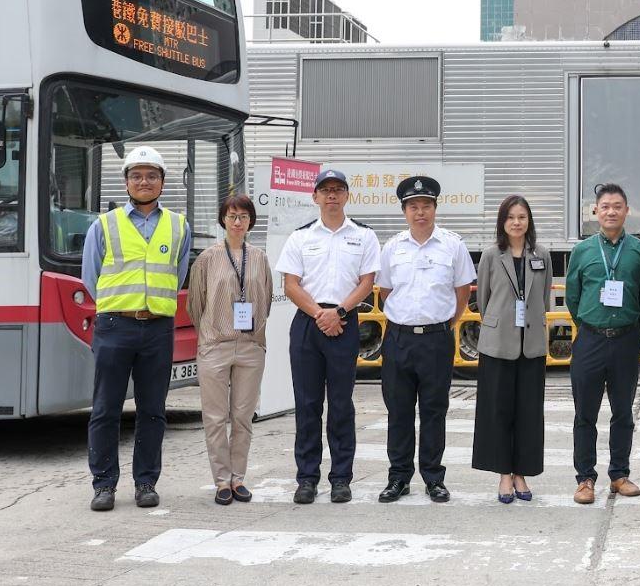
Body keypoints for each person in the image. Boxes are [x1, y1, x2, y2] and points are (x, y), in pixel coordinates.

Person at [83, 146, 191, 512]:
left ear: (162, 182)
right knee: (106, 409)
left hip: (158, 328)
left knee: (153, 410)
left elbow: (176, 274)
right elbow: (91, 277)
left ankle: (146, 482)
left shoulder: (178, 226)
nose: (144, 182)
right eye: (137, 175)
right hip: (114, 325)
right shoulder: (104, 225)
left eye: (151, 175)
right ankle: (104, 485)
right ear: (126, 181)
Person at [275, 168, 378, 504]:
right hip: (308, 323)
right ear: (315, 197)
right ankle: (307, 478)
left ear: (347, 196)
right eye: (326, 190)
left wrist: (339, 313)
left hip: (345, 322)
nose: (332, 195)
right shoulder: (300, 237)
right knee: (307, 405)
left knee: (341, 405)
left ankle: (341, 478)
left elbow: (366, 282)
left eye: (338, 189)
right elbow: (290, 284)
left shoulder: (363, 236)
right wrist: (320, 314)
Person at [376, 175, 475, 504]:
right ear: (404, 211)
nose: (421, 212)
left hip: (436, 340)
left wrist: (448, 321)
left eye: (426, 206)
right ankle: (398, 477)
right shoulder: (392, 248)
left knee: (434, 410)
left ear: (435, 208)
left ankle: (433, 477)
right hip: (399, 338)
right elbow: (385, 291)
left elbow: (462, 291)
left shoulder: (452, 245)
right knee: (399, 411)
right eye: (414, 207)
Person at [187, 194, 273, 504]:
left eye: (244, 217)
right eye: (232, 216)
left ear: (251, 221)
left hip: (250, 347)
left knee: (242, 416)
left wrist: (254, 334)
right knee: (214, 416)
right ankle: (221, 480)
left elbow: (266, 300)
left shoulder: (260, 257)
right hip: (215, 345)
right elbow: (195, 304)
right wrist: (210, 333)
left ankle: (238, 478)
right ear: (223, 219)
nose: (237, 222)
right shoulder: (208, 258)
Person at [566, 184, 640, 504]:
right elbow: (573, 295)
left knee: (623, 412)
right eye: (605, 206)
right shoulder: (582, 251)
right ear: (595, 211)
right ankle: (585, 478)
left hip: (626, 340)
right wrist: (588, 324)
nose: (611, 211)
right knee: (585, 413)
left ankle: (620, 475)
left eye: (617, 206)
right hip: (590, 340)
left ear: (627, 211)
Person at [473, 195, 554, 503]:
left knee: (528, 412)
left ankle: (522, 472)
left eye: (522, 216)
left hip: (531, 344)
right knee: (498, 410)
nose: (517, 222)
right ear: (502, 222)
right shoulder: (492, 255)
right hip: (498, 344)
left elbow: (544, 297)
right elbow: (484, 300)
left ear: (529, 221)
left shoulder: (541, 254)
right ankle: (504, 474)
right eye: (511, 217)